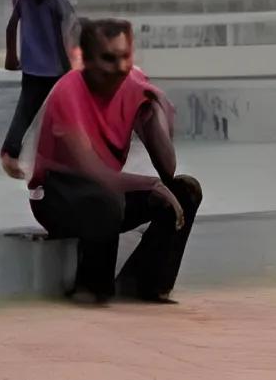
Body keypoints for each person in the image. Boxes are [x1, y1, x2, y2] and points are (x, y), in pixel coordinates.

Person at [27, 18, 202, 305]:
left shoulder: (134, 83)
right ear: (86, 60)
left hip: (106, 191)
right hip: (57, 195)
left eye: (124, 57)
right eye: (108, 59)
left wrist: (154, 112)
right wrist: (150, 184)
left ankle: (144, 283)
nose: (120, 68)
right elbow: (93, 171)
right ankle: (91, 287)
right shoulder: (68, 93)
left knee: (185, 191)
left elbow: (167, 168)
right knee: (107, 198)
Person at [0, 0, 81, 179]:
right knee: (63, 112)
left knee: (26, 110)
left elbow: (10, 26)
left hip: (32, 69)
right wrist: (70, 67)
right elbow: (64, 36)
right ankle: (67, 156)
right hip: (56, 71)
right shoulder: (58, 2)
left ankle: (9, 152)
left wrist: (11, 57)